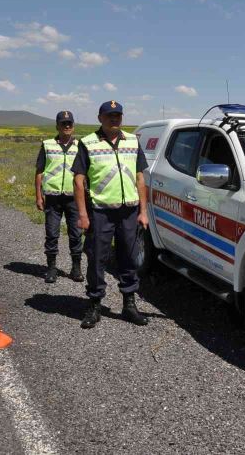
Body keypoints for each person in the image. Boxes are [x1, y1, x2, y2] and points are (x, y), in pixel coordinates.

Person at [72, 100, 150, 328]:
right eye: (109, 116)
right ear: (100, 118)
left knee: (128, 257)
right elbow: (78, 181)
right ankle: (95, 304)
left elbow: (140, 178)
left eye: (118, 115)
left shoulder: (133, 141)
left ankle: (129, 304)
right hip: (100, 212)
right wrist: (83, 215)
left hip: (129, 211)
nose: (114, 119)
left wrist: (143, 212)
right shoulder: (88, 143)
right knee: (97, 258)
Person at [35, 111, 84, 283]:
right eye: (63, 124)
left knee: (76, 234)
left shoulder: (80, 146)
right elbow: (39, 171)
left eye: (69, 123)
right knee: (52, 233)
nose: (67, 126)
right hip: (53, 198)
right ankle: (51, 268)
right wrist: (38, 196)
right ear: (57, 126)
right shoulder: (47, 145)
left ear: (73, 125)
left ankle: (76, 268)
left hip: (74, 198)